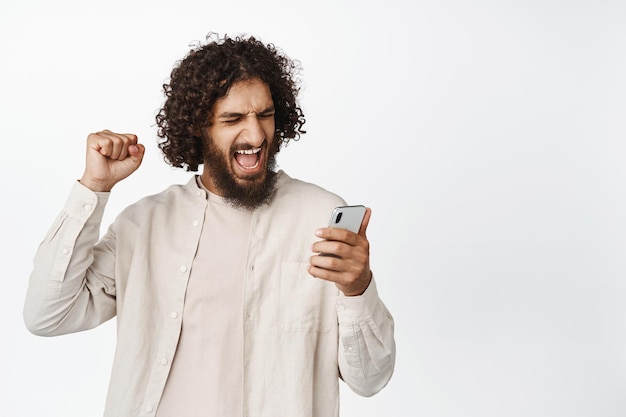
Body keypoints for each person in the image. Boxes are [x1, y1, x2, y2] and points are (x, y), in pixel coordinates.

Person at [24, 34, 395, 417]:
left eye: (264, 115)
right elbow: (48, 315)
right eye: (233, 119)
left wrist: (357, 288)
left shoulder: (318, 217)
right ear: (199, 126)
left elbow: (371, 378)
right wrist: (94, 187)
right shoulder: (144, 224)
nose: (255, 135)